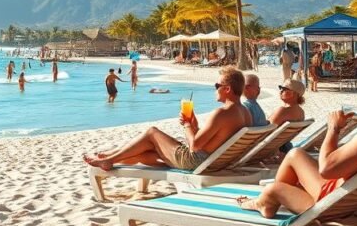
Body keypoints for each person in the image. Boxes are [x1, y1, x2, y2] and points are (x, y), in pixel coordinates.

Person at [237, 64, 357, 218]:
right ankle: (271, 199)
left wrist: (334, 129)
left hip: (334, 203)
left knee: (277, 183)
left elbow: (327, 169)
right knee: (295, 153)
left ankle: (268, 200)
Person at [84, 68, 251, 171]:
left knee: (152, 133)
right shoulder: (244, 113)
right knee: (146, 151)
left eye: (217, 86)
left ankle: (110, 159)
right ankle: (110, 156)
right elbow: (212, 141)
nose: (215, 89)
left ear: (227, 89)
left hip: (196, 161)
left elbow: (194, 147)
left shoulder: (221, 113)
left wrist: (186, 124)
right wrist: (194, 125)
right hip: (215, 162)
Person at [269, 79, 307, 154]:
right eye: (280, 87)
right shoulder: (301, 112)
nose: (280, 91)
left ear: (295, 94)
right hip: (286, 146)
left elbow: (266, 131)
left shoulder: (283, 111)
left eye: (284, 89)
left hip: (273, 149)